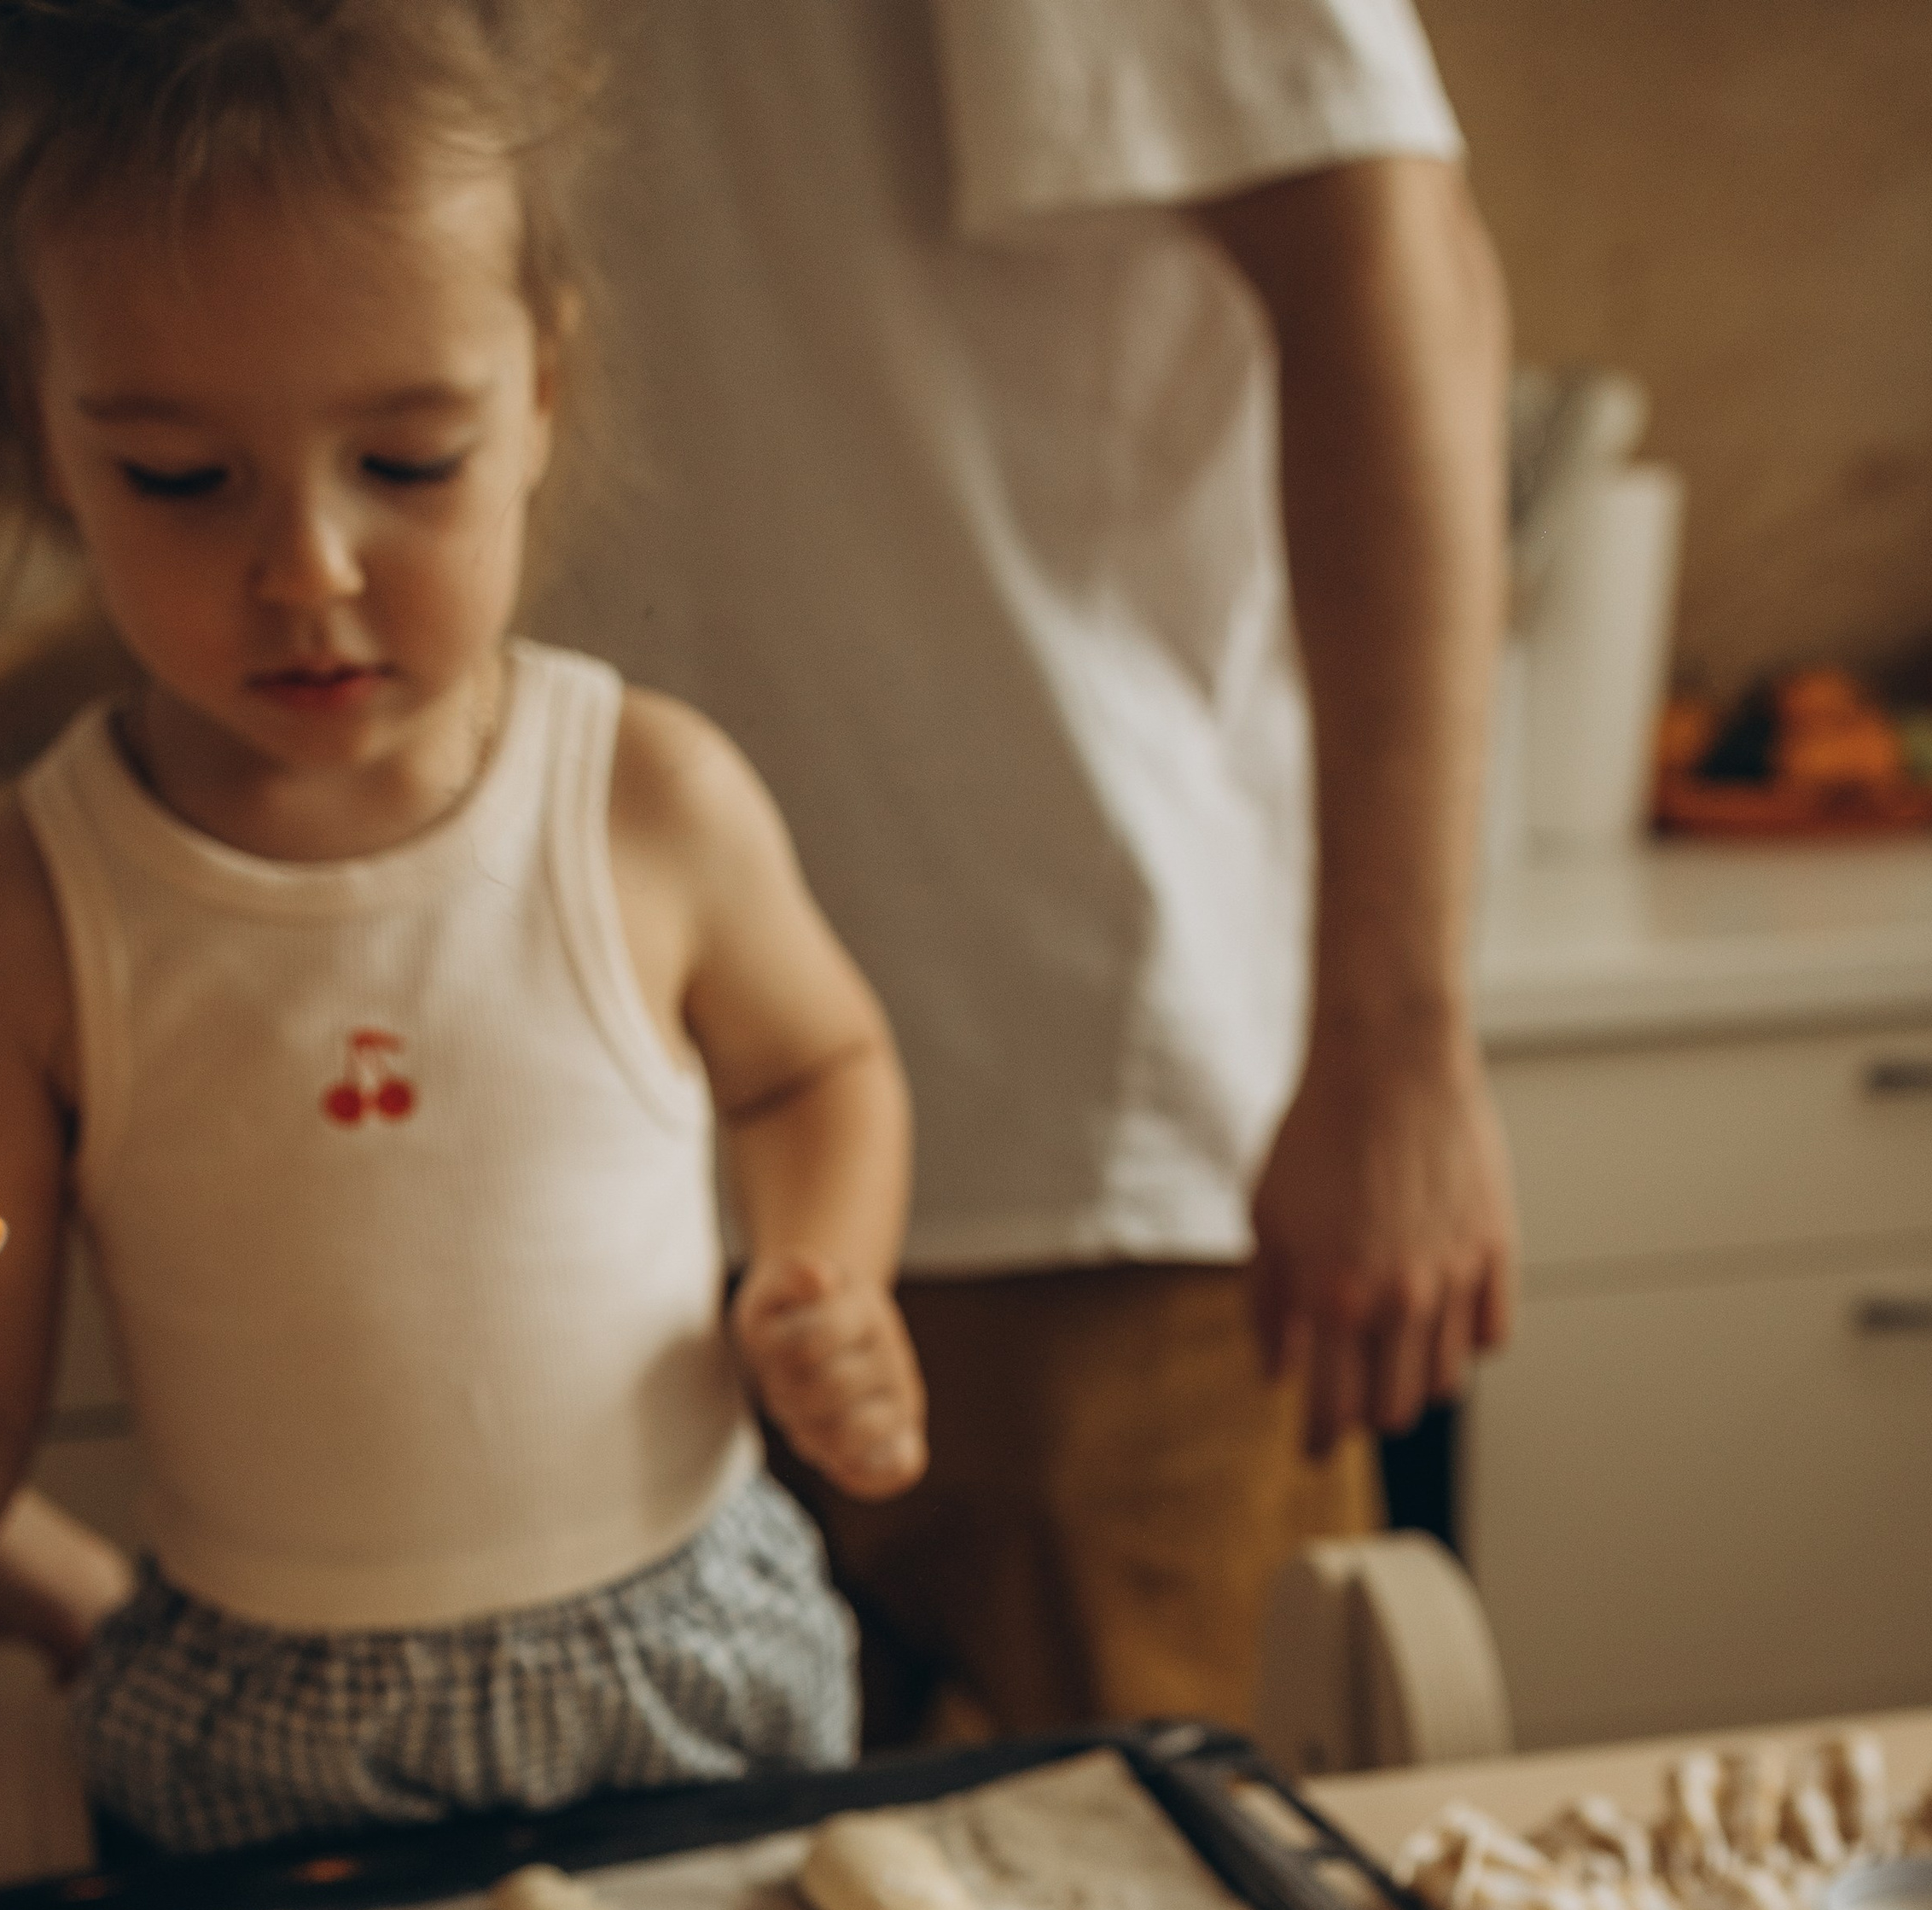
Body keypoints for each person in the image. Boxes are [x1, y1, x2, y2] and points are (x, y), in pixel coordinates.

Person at [0, 0, 928, 1855]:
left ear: (539, 392)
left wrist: (826, 1274)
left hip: (686, 1664)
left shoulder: (648, 798)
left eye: (407, 463)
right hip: (260, 1728)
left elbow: (816, 1062)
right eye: (181, 478)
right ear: (44, 434)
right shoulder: (28, 902)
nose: (308, 568)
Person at [539, 0, 1516, 1740]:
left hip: (1067, 1151)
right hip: (588, 1159)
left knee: (1205, 1884)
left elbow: (1395, 265)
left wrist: (1399, 1040)